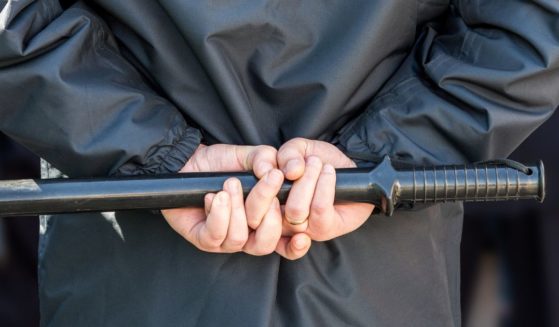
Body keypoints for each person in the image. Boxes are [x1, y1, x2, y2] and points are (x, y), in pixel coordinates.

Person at [1, 0, 557, 326]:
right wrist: (375, 164)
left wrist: (155, 156)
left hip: (132, 268)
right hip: (375, 268)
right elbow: (530, 26)